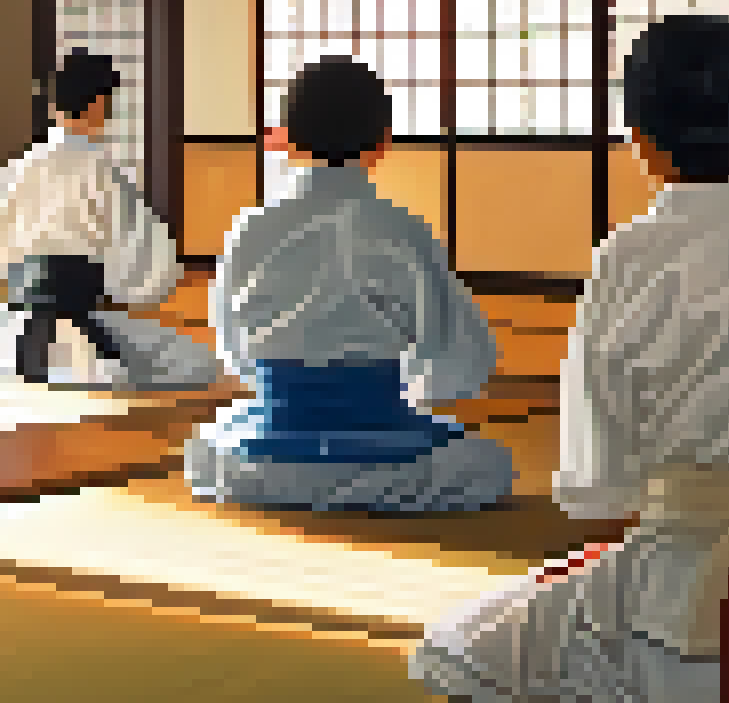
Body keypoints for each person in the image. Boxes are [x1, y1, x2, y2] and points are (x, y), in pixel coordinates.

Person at [409, 16, 729, 702]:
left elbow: (597, 484)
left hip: (680, 596)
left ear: (639, 141)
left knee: (463, 648)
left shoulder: (626, 259)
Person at [186, 55, 514, 513]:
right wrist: (416, 395)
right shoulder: (401, 227)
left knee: (210, 447)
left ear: (289, 139)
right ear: (383, 142)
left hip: (272, 455)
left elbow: (233, 349)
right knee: (490, 464)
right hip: (381, 451)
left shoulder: (250, 228)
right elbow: (457, 355)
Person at [0, 49, 220, 391]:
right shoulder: (101, 170)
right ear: (99, 105)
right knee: (195, 363)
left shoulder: (16, 169)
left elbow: (4, 243)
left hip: (11, 328)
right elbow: (142, 260)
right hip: (80, 323)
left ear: (52, 107)